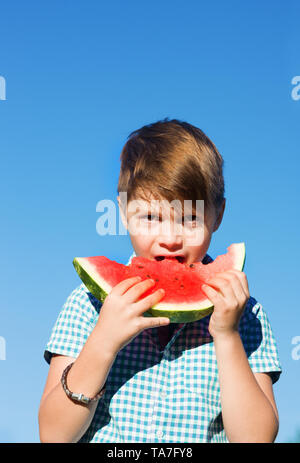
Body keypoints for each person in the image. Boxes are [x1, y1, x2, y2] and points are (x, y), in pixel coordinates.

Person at [38, 118, 282, 443]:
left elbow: (256, 439)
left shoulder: (245, 313)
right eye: (150, 217)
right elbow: (53, 435)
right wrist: (103, 341)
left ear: (218, 215)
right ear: (124, 212)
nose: (170, 238)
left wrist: (227, 335)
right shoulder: (87, 304)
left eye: (189, 218)